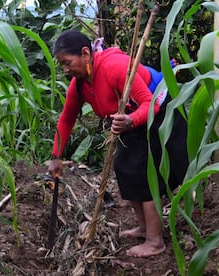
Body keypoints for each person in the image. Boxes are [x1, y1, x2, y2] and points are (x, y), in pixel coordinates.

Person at [48, 30, 189, 258]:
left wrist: (131, 121)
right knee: (125, 167)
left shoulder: (114, 67)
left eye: (67, 63)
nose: (65, 69)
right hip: (131, 121)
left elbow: (149, 105)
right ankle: (144, 228)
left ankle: (155, 241)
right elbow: (66, 119)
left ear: (85, 53)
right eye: (61, 64)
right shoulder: (80, 83)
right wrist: (56, 156)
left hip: (160, 112)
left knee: (143, 173)